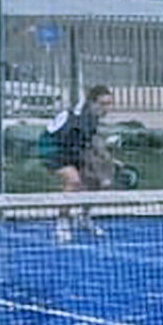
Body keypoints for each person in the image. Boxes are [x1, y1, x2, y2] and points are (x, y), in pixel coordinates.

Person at [40, 84, 115, 242]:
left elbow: (92, 143)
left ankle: (84, 217)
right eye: (103, 104)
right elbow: (86, 151)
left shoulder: (92, 118)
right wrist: (103, 173)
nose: (106, 108)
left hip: (72, 151)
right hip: (52, 151)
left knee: (93, 181)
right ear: (92, 103)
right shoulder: (77, 119)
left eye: (109, 104)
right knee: (73, 181)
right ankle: (62, 223)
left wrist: (106, 159)